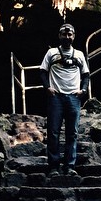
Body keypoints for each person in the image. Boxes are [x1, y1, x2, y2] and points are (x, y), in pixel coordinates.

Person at [39, 23, 90, 177]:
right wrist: (47, 87)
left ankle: (70, 166)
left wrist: (83, 90)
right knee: (53, 132)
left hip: (73, 98)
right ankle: (54, 167)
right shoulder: (51, 53)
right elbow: (42, 71)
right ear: (59, 36)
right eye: (64, 34)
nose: (67, 37)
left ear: (73, 36)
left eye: (70, 35)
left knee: (72, 133)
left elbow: (86, 74)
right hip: (56, 98)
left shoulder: (79, 54)